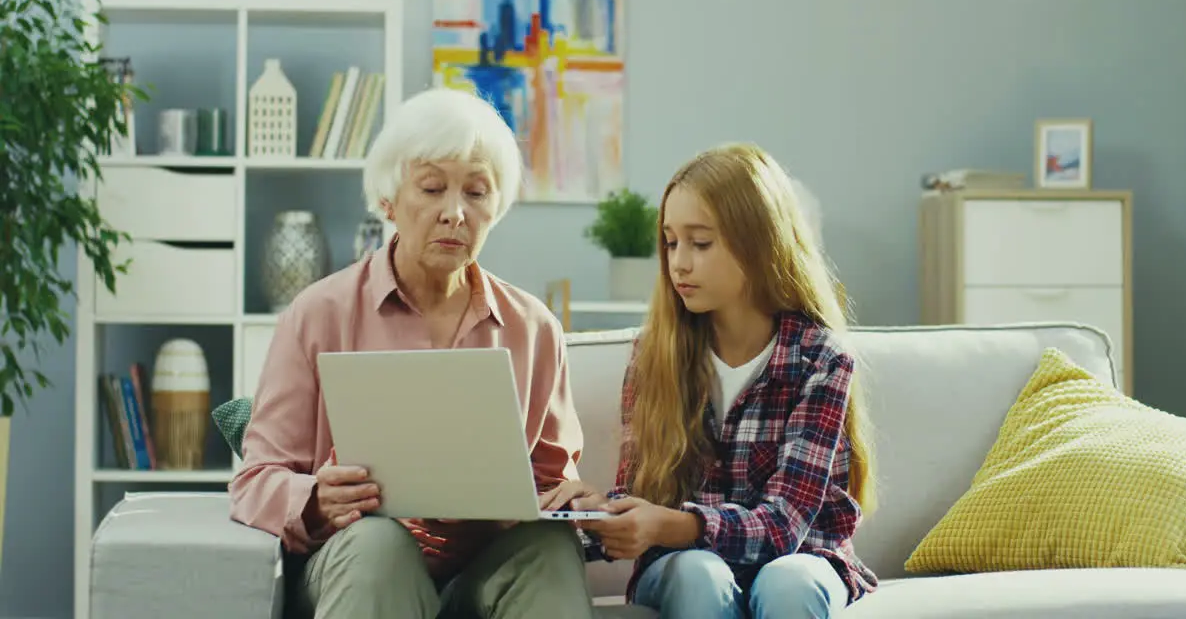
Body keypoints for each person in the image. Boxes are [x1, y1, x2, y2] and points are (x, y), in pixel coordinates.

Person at [228, 87, 596, 619]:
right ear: (389, 200)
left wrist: (569, 502)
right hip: (358, 560)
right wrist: (314, 498)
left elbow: (549, 480)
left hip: (481, 570)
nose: (454, 213)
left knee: (551, 549)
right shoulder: (319, 313)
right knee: (382, 546)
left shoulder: (533, 328)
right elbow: (256, 479)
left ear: (498, 207)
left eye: (476, 193)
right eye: (431, 188)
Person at [546, 143, 879, 618]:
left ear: (759, 244)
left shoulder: (820, 359)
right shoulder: (654, 356)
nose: (679, 262)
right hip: (684, 567)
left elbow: (784, 526)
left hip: (802, 557)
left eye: (700, 243)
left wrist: (673, 524)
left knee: (790, 582)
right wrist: (597, 513)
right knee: (699, 573)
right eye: (670, 241)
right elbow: (641, 497)